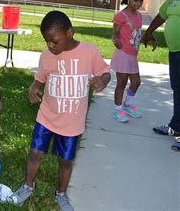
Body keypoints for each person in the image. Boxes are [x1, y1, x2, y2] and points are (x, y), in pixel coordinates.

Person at [10, 11, 111, 211]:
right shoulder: (46, 56)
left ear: (70, 33)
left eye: (54, 41)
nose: (50, 45)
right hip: (47, 115)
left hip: (72, 121)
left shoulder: (89, 51)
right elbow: (41, 77)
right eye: (47, 41)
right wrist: (34, 87)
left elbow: (105, 72)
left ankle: (61, 194)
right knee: (34, 152)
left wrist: (103, 80)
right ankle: (28, 186)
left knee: (65, 160)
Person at [142, 0, 180, 151]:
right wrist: (148, 33)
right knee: (177, 89)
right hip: (175, 51)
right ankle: (175, 127)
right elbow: (162, 15)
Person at [110, 0, 145, 122]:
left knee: (136, 82)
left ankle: (127, 104)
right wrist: (115, 41)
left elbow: (137, 34)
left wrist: (148, 40)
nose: (138, 4)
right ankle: (117, 110)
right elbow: (114, 33)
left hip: (133, 55)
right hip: (123, 54)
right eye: (135, 0)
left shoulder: (140, 16)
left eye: (141, 1)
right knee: (121, 83)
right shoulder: (121, 16)